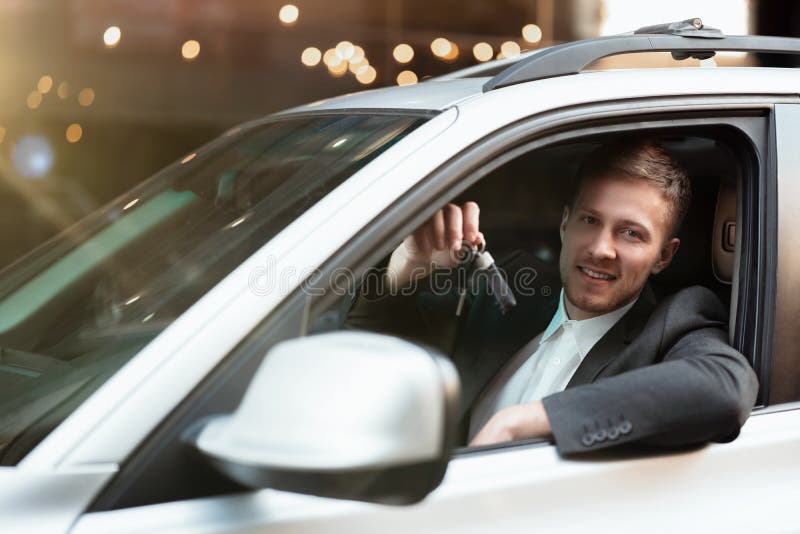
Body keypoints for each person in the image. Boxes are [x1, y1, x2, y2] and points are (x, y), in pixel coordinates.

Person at [346, 138, 759, 454]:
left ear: (664, 256)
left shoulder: (676, 319)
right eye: (589, 220)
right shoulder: (507, 289)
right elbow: (367, 355)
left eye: (631, 233)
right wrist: (406, 268)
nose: (600, 248)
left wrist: (527, 421)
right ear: (565, 225)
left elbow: (724, 388)